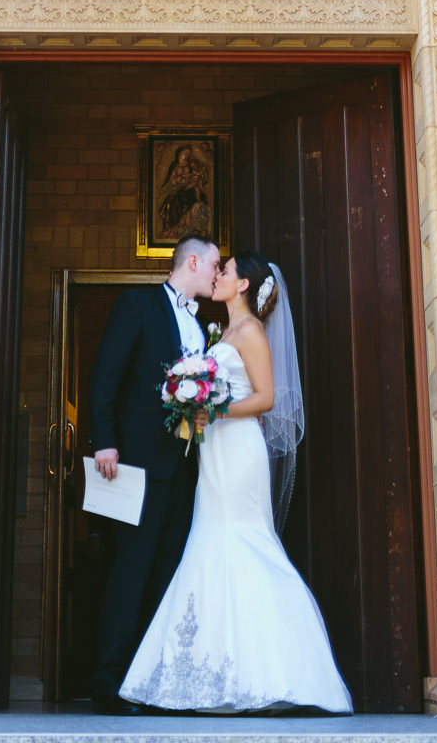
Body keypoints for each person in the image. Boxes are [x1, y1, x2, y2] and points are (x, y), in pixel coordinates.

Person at [120, 253, 352, 713]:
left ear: (243, 284)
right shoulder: (221, 333)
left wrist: (216, 409)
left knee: (246, 541)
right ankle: (212, 673)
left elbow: (265, 398)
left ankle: (293, 672)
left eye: (224, 271)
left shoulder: (251, 332)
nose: (217, 276)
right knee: (210, 544)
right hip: (214, 453)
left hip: (240, 451)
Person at [88, 233, 221, 714]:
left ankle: (147, 684)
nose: (217, 273)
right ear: (192, 261)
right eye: (214, 265)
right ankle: (108, 682)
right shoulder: (137, 305)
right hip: (139, 465)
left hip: (185, 468)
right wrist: (103, 439)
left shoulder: (200, 323)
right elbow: (106, 374)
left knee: (167, 573)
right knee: (131, 572)